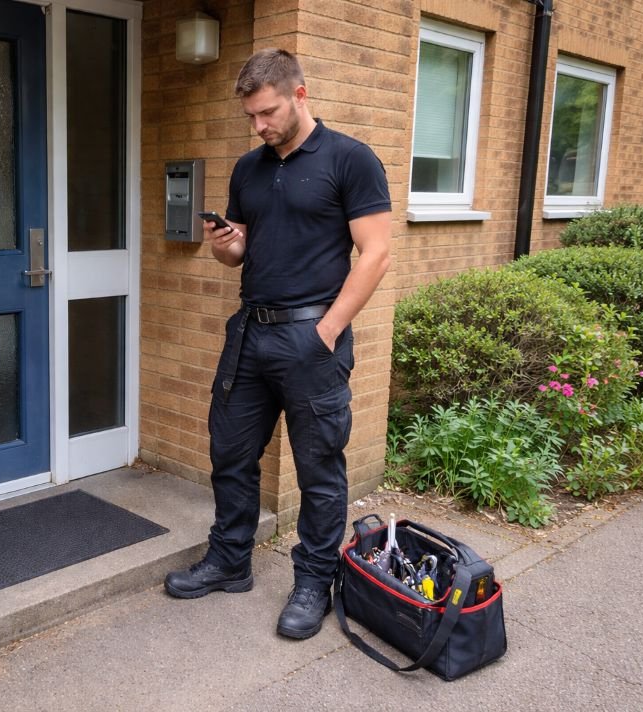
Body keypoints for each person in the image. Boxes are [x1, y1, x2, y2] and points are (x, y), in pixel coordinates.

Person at [163, 48, 392, 640]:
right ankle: (229, 560)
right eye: (251, 117)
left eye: (267, 113)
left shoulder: (350, 159)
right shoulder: (248, 168)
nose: (259, 126)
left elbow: (376, 253)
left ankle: (314, 581)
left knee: (319, 468)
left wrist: (328, 329)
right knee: (231, 454)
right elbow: (241, 249)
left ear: (300, 95)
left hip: (313, 335)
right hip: (250, 331)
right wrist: (224, 245)